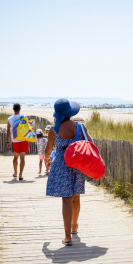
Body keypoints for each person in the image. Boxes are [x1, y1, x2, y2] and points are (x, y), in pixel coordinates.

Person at [45, 98, 91, 246]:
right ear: (70, 113)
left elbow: (48, 149)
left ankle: (67, 237)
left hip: (62, 165)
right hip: (77, 165)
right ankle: (74, 226)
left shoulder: (54, 130)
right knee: (76, 197)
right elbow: (91, 144)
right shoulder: (80, 127)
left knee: (66, 199)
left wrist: (47, 160)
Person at [6, 103, 28, 180]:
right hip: (23, 140)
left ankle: (15, 173)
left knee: (15, 156)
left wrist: (8, 142)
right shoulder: (24, 117)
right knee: (22, 158)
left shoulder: (10, 119)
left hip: (15, 140)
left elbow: (8, 131)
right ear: (20, 109)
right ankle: (20, 175)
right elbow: (28, 129)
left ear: (13, 109)